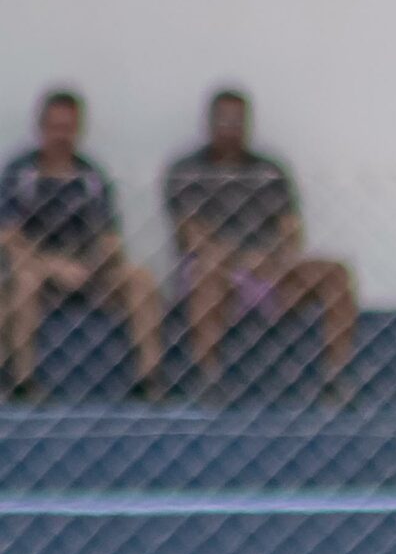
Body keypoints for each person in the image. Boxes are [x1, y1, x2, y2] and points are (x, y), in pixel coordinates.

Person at [162, 89, 359, 401]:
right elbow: (193, 236)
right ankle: (208, 378)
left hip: (270, 270)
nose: (230, 127)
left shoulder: (269, 170)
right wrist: (241, 261)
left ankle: (336, 377)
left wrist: (273, 259)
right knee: (207, 270)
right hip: (218, 272)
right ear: (210, 123)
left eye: (237, 121)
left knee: (335, 273)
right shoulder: (187, 171)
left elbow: (290, 229)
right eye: (224, 120)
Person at [0, 90, 163, 400]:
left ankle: (149, 379)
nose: (61, 135)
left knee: (140, 278)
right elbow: (8, 234)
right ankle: (23, 381)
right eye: (55, 127)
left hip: (88, 268)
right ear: (41, 128)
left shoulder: (90, 175)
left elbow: (109, 236)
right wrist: (51, 265)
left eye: (68, 127)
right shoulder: (20, 172)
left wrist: (100, 259)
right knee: (25, 277)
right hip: (38, 268)